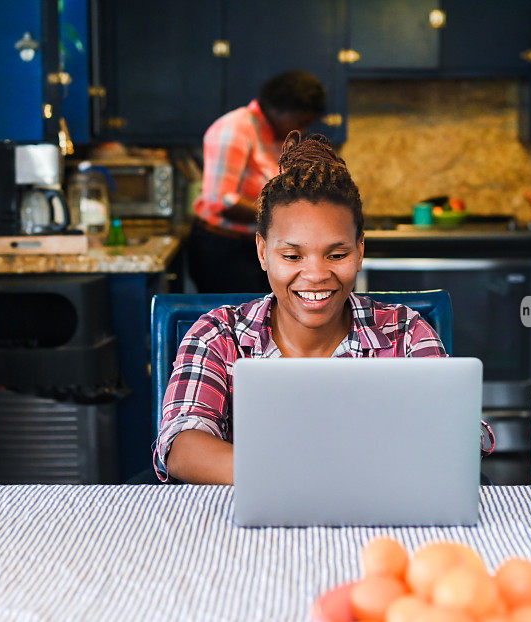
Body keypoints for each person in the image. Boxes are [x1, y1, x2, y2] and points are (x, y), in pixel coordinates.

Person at [155, 132, 495, 484]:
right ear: (262, 252)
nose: (316, 275)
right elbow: (181, 445)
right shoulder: (218, 335)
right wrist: (314, 475)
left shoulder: (405, 333)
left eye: (337, 254)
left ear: (360, 251)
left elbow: (459, 437)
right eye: (292, 256)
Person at [188, 70, 327, 293]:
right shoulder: (234, 129)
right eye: (300, 121)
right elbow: (221, 202)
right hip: (224, 249)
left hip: (254, 245)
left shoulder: (274, 137)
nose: (302, 130)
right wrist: (286, 218)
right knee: (236, 323)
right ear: (278, 109)